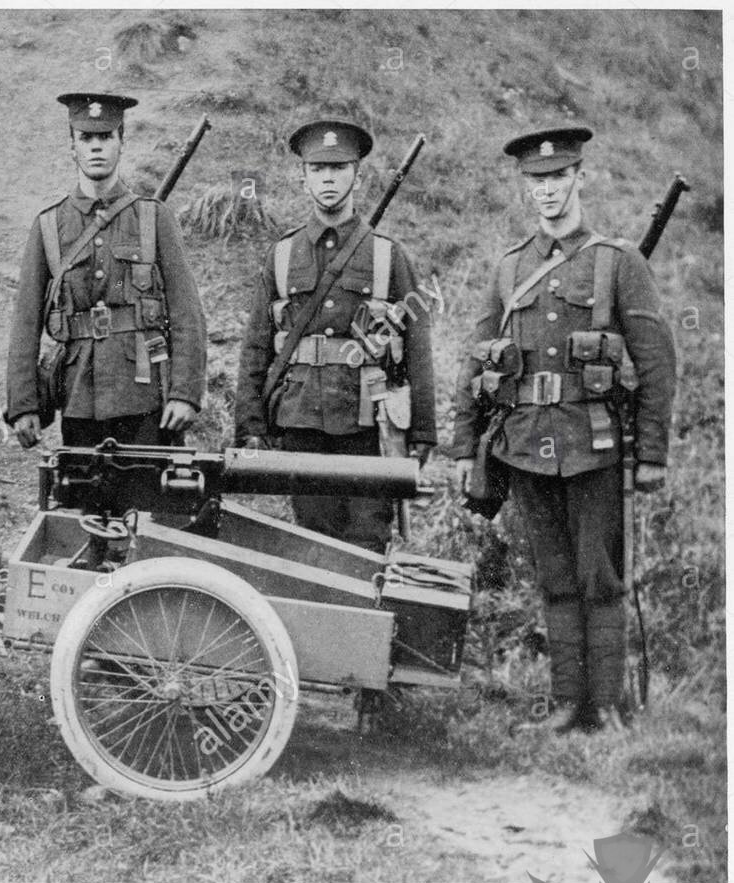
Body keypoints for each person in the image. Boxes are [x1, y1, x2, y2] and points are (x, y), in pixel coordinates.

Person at [448, 127, 677, 733]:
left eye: (558, 178)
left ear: (581, 178)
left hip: (593, 443)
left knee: (600, 577)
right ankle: (567, 704)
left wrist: (651, 453)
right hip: (523, 444)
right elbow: (478, 356)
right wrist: (462, 443)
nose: (547, 191)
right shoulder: (509, 268)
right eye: (536, 181)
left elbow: (656, 360)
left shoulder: (616, 262)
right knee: (553, 577)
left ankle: (606, 706)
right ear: (526, 188)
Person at [234, 119, 436, 553]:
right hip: (300, 417)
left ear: (358, 175)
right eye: (317, 169)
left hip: (368, 423)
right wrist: (250, 423)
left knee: (367, 542)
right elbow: (256, 343)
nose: (328, 178)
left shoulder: (387, 255)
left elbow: (418, 345)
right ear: (302, 176)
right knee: (311, 540)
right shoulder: (282, 254)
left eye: (339, 168)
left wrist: (422, 431)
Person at [5, 92, 206, 448]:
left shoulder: (153, 217)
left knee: (149, 501)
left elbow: (187, 313)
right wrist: (23, 405)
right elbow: (25, 322)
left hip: (146, 401)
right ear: (72, 147)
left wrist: (185, 393)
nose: (96, 147)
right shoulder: (50, 226)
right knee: (78, 502)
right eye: (86, 138)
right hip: (78, 399)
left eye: (106, 137)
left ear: (121, 144)